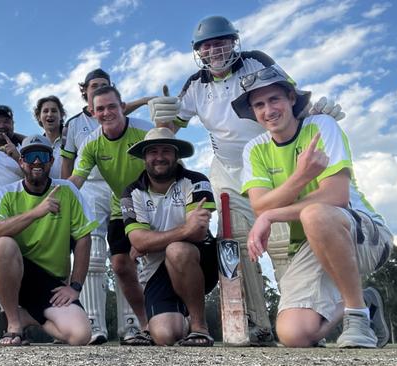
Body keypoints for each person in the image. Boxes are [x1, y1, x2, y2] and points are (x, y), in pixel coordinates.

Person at [146, 15, 345, 345]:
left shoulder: (257, 63)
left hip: (272, 164)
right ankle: (255, 323)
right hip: (227, 172)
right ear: (199, 52)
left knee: (282, 242)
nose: (215, 50)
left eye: (221, 42)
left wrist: (314, 113)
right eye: (206, 46)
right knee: (234, 245)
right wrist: (162, 119)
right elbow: (169, 132)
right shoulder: (195, 85)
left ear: (234, 42)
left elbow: (290, 98)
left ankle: (298, 312)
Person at [233, 64, 392, 348]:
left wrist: (271, 213)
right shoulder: (254, 149)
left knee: (315, 213)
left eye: (275, 99)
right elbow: (259, 205)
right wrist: (301, 176)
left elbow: (336, 197)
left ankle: (357, 317)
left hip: (362, 234)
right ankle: (364, 300)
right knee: (295, 335)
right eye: (259, 104)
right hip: (311, 244)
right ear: (253, 112)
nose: (268, 110)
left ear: (292, 99)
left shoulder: (321, 126)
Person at [61, 68, 155, 344]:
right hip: (120, 203)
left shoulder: (145, 131)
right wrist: (51, 201)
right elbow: (75, 178)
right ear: (92, 112)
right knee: (119, 263)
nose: (106, 113)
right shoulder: (89, 141)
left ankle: (178, 320)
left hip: (153, 201)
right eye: (100, 109)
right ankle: (138, 323)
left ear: (123, 106)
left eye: (112, 106)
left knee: (156, 260)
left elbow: (170, 167)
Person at [0, 135, 97, 346]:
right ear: (21, 161)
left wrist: (75, 286)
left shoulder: (67, 190)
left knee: (80, 335)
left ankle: (26, 316)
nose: (37, 161)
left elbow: (84, 238)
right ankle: (13, 324)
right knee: (1, 245)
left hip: (51, 282)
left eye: (42, 155)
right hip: (13, 273)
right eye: (30, 156)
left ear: (51, 161)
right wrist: (36, 212)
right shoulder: (5, 193)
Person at [122, 127, 219, 346]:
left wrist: (150, 240)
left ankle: (199, 327)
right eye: (152, 151)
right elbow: (138, 241)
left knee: (177, 250)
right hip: (157, 270)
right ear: (144, 157)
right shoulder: (131, 192)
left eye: (166, 150)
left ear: (176, 155)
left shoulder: (196, 180)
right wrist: (184, 229)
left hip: (198, 261)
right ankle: (182, 322)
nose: (159, 157)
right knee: (165, 335)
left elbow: (199, 232)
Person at [34, 95, 66, 179]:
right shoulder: (37, 146)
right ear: (39, 117)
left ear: (61, 115)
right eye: (45, 111)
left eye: (54, 111)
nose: (50, 114)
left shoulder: (71, 139)